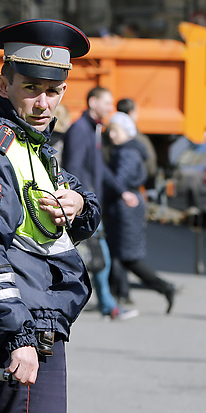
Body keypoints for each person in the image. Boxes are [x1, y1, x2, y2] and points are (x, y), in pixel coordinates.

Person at [0, 19, 101, 413]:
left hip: (37, 327)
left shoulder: (31, 144)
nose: (43, 103)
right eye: (31, 88)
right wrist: (20, 338)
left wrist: (78, 205)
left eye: (53, 91)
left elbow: (83, 209)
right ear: (3, 84)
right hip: (21, 333)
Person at [63, 86, 138, 320]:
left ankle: (106, 304)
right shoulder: (79, 129)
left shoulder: (93, 128)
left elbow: (100, 169)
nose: (110, 107)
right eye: (106, 102)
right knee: (99, 258)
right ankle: (108, 305)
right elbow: (73, 167)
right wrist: (79, 200)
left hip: (90, 205)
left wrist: (121, 190)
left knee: (94, 258)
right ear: (92, 101)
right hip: (83, 205)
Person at [104, 112, 177, 313]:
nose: (111, 135)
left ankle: (164, 287)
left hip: (126, 208)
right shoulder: (126, 150)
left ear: (126, 132)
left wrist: (103, 173)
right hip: (125, 206)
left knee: (127, 257)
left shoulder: (127, 153)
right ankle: (115, 296)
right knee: (117, 254)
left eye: (115, 131)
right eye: (110, 130)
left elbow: (120, 180)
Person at [115, 98, 157, 184]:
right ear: (131, 113)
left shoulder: (108, 136)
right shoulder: (139, 139)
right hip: (132, 188)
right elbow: (151, 168)